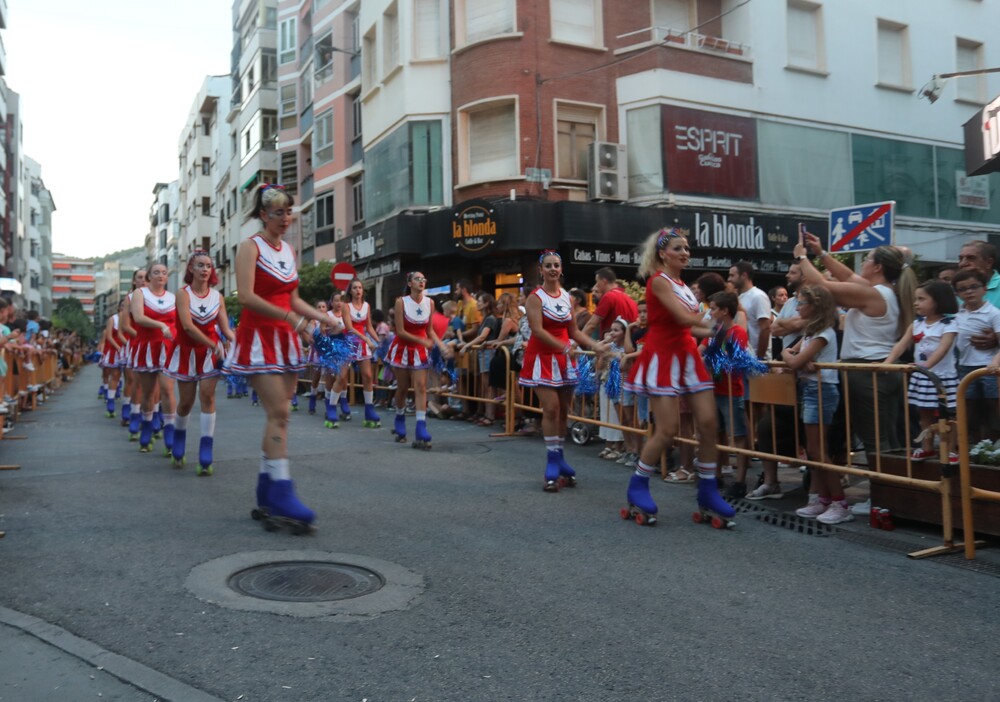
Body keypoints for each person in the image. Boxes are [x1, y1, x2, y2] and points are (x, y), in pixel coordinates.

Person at [228, 183, 330, 532]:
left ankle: (267, 490)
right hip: (258, 340)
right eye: (278, 213)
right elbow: (245, 297)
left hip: (284, 340)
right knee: (281, 412)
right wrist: (290, 318)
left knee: (279, 416)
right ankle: (283, 491)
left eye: (289, 211)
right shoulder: (249, 248)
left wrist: (325, 319)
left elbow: (294, 297)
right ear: (262, 215)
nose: (286, 218)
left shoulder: (288, 250)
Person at [622, 229, 735, 527]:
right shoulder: (659, 282)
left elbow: (691, 328)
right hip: (662, 357)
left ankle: (708, 491)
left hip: (687, 356)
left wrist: (719, 333)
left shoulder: (683, 285)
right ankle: (638, 485)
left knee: (709, 423)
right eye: (678, 248)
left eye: (687, 248)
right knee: (667, 429)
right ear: (663, 253)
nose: (685, 252)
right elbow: (683, 319)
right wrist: (716, 320)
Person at [795, 231, 916, 459]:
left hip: (867, 370)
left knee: (874, 439)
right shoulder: (888, 291)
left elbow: (822, 285)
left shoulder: (873, 294)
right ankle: (892, 489)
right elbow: (848, 276)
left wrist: (802, 258)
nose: (865, 263)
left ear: (878, 267)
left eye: (869, 259)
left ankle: (881, 493)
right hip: (882, 369)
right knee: (888, 435)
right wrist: (821, 253)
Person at [519, 250, 607, 491]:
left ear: (561, 269)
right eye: (548, 266)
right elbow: (537, 330)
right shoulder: (535, 297)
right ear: (540, 270)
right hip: (543, 358)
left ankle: (560, 458)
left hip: (564, 358)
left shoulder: (567, 297)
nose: (553, 269)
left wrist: (595, 344)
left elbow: (574, 331)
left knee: (564, 412)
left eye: (556, 265)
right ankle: (551, 460)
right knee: (551, 409)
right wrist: (564, 346)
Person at [781, 286, 848, 522]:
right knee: (814, 450)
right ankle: (823, 499)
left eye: (801, 303)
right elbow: (787, 352)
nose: (797, 307)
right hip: (811, 389)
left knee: (818, 450)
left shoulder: (824, 333)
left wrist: (796, 359)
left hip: (822, 391)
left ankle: (839, 502)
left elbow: (793, 358)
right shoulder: (811, 331)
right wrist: (796, 359)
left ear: (816, 306)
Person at [166, 250, 235, 475]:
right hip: (187, 352)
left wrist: (241, 342)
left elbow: (225, 329)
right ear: (191, 269)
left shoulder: (218, 297)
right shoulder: (182, 294)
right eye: (200, 265)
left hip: (208, 354)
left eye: (208, 266)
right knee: (186, 402)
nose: (205, 269)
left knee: (208, 396)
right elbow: (186, 326)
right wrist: (213, 343)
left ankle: (206, 448)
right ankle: (179, 437)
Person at [886, 280, 960, 464]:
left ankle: (952, 449)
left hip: (942, 376)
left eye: (921, 299)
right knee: (924, 414)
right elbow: (901, 344)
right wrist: (887, 361)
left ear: (938, 301)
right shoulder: (916, 324)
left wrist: (927, 366)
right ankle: (927, 447)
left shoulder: (948, 325)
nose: (916, 303)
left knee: (950, 415)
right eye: (916, 299)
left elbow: (943, 349)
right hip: (923, 376)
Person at [386, 271, 450, 448]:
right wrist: (421, 340)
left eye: (423, 279)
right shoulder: (401, 302)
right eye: (417, 279)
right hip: (402, 349)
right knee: (403, 387)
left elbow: (430, 331)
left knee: (421, 387)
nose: (421, 282)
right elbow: (400, 331)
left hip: (420, 351)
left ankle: (421, 427)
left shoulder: (430, 302)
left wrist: (441, 345)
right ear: (410, 283)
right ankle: (400, 417)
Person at [703, 291, 751, 499]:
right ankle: (717, 474)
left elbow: (732, 357)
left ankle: (740, 480)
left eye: (713, 308)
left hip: (731, 390)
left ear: (724, 311)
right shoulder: (714, 331)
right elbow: (700, 350)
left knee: (738, 435)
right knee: (716, 433)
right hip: (714, 389)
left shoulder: (737, 331)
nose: (710, 312)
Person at [128, 262, 177, 455]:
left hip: (168, 348)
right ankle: (147, 427)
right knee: (147, 393)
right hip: (147, 347)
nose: (160, 276)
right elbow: (138, 318)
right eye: (156, 272)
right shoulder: (140, 294)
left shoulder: (173, 297)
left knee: (167, 389)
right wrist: (161, 325)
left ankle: (170, 431)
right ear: (149, 276)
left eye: (164, 273)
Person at [952, 270, 1000, 442]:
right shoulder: (958, 314)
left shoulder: (993, 313)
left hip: (989, 368)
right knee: (967, 405)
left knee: (994, 402)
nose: (969, 292)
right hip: (964, 366)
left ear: (984, 289)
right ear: (957, 293)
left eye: (974, 287)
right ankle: (963, 444)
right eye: (963, 289)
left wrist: (995, 362)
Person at [343, 278, 382, 428]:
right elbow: (350, 328)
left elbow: (369, 326)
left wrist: (378, 341)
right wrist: (367, 339)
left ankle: (369, 410)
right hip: (349, 342)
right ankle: (335, 406)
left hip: (363, 344)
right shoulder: (346, 306)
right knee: (342, 378)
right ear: (350, 291)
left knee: (368, 376)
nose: (358, 290)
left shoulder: (367, 306)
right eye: (355, 288)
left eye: (360, 288)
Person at [458, 293, 501, 426]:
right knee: (485, 386)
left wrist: (467, 345)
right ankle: (485, 413)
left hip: (488, 354)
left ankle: (490, 415)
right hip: (484, 354)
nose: (477, 303)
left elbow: (483, 336)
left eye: (480, 301)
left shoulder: (490, 319)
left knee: (488, 386)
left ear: (487, 303)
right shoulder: (485, 318)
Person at [120, 269, 146, 431]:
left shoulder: (161, 298)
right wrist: (143, 337)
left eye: (146, 278)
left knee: (157, 385)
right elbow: (125, 326)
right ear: (134, 281)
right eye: (140, 278)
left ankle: (153, 414)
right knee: (134, 381)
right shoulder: (129, 299)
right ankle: (131, 413)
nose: (143, 280)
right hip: (137, 344)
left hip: (157, 346)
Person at [728, 261, 771, 359]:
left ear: (744, 275)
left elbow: (765, 328)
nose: (729, 279)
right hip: (742, 357)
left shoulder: (758, 296)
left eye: (732, 275)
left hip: (756, 358)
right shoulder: (739, 297)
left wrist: (759, 358)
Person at [581, 267, 638, 338]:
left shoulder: (609, 296)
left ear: (604, 281)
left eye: (597, 281)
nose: (596, 285)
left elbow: (591, 325)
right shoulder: (629, 298)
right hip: (627, 343)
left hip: (611, 344)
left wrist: (576, 342)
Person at [99, 300, 127, 419]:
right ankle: (110, 400)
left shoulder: (133, 318)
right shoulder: (113, 319)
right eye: (122, 305)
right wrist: (118, 348)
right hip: (115, 350)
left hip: (129, 350)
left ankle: (130, 405)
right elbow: (109, 336)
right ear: (119, 307)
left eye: (126, 305)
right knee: (115, 376)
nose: (123, 307)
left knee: (131, 379)